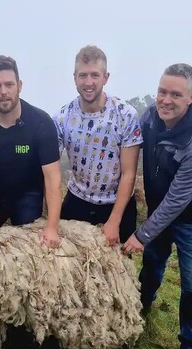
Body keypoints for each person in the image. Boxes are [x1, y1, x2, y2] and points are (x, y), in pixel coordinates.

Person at [122, 63, 192, 349]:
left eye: (175, 95)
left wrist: (141, 234)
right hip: (158, 211)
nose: (165, 100)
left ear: (191, 98)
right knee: (152, 267)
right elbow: (128, 154)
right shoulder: (150, 119)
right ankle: (139, 312)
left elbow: (178, 200)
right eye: (162, 91)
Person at [0, 55, 62, 248]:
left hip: (28, 196)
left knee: (25, 250)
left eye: (9, 85)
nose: (4, 92)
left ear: (19, 85)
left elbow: (53, 178)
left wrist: (52, 226)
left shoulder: (41, 123)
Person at [53, 45, 142, 246]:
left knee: (117, 269)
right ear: (74, 77)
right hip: (78, 200)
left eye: (95, 75)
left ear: (106, 77)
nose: (89, 82)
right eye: (83, 75)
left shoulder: (125, 115)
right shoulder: (61, 118)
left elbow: (129, 174)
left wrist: (114, 221)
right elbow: (52, 170)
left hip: (116, 202)